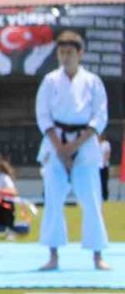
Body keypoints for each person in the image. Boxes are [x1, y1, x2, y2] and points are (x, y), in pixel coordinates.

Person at [36, 30, 110, 271]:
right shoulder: (49, 81)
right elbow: (43, 115)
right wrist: (61, 148)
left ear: (81, 53)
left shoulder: (93, 81)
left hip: (85, 143)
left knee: (91, 200)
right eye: (61, 52)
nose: (65, 57)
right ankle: (53, 255)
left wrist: (75, 146)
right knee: (54, 200)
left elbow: (100, 117)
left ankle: (97, 255)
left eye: (69, 52)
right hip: (55, 143)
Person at [101, 135, 113, 202]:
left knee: (104, 182)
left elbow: (107, 154)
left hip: (104, 166)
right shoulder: (96, 143)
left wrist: (104, 162)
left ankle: (105, 198)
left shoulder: (106, 143)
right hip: (97, 167)